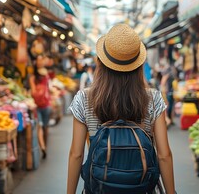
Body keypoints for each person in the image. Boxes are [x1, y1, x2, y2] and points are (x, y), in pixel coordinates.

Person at [67, 24, 175, 194]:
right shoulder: (153, 99)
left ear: (101, 62)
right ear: (138, 65)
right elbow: (164, 155)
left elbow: (76, 154)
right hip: (141, 188)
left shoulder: (84, 98)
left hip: (99, 188)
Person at [29, 56, 52, 159]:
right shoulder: (46, 76)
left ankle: (42, 146)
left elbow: (33, 92)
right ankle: (45, 146)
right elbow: (50, 89)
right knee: (45, 127)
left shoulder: (32, 78)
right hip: (46, 104)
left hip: (37, 105)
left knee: (40, 127)